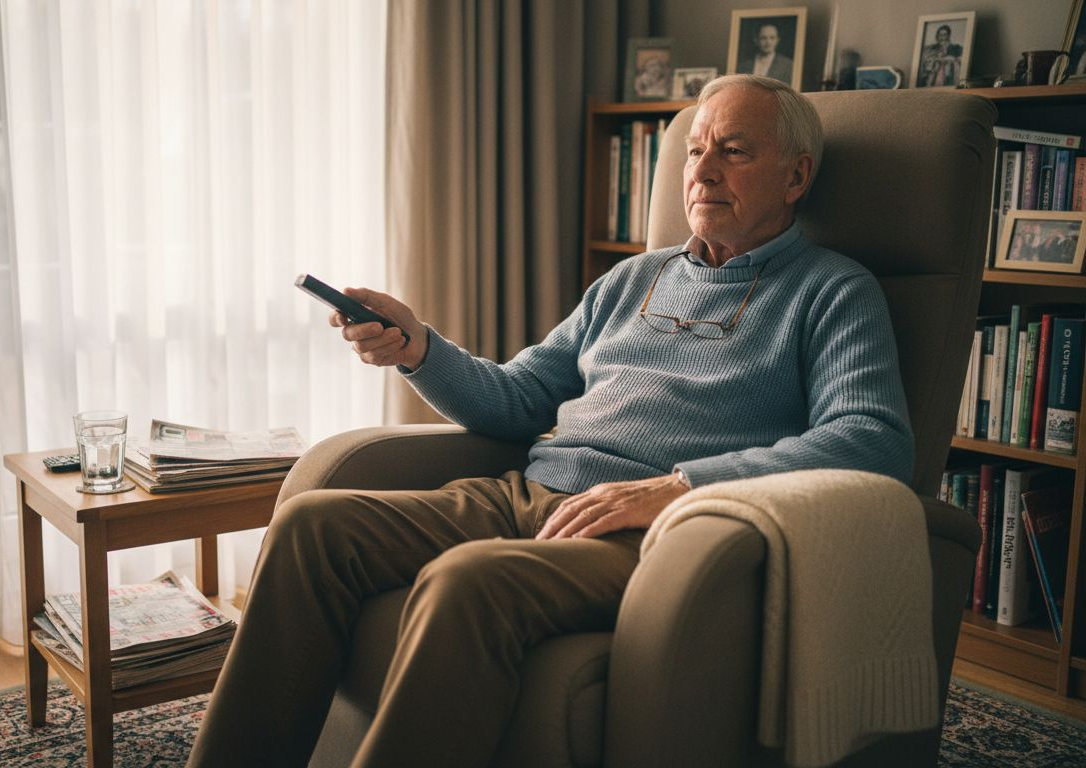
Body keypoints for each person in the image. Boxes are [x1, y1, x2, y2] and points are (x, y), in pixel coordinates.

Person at [186, 74, 913, 768]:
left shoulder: (834, 292)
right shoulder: (633, 278)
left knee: (467, 579)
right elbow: (520, 396)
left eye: (734, 151)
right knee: (312, 525)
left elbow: (871, 439)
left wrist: (677, 488)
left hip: (656, 535)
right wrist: (418, 347)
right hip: (526, 495)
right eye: (696, 149)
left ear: (795, 177)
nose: (703, 171)